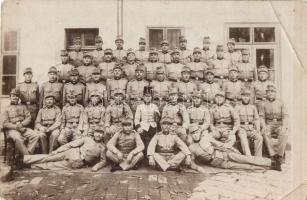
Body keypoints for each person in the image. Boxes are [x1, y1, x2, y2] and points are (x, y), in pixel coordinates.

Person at [187, 124, 281, 172]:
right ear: (190, 135)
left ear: (199, 131)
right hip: (220, 164)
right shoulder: (191, 148)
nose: (195, 135)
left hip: (225, 154)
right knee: (245, 167)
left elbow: (220, 138)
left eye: (196, 132)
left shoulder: (206, 137)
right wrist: (197, 168)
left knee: (246, 159)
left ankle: (272, 163)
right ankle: (268, 168)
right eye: (193, 134)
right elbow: (191, 162)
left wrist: (231, 145)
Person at [23, 130, 107, 172]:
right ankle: (25, 160)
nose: (98, 135)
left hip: (78, 162)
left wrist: (96, 167)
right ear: (94, 133)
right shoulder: (87, 139)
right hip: (70, 152)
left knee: (51, 166)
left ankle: (31, 166)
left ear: (103, 135)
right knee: (48, 157)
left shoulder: (102, 147)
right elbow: (70, 144)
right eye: (97, 132)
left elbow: (103, 161)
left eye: (101, 133)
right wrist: (57, 151)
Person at [3, 88, 40, 155]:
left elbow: (28, 118)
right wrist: (16, 127)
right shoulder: (6, 108)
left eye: (17, 96)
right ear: (10, 97)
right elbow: (5, 123)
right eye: (13, 96)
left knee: (35, 135)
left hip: (23, 128)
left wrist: (22, 124)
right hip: (12, 130)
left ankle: (26, 155)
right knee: (18, 138)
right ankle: (27, 157)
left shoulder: (23, 107)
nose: (15, 98)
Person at [259, 85, 289, 163]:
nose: (270, 93)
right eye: (268, 92)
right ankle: (272, 155)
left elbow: (285, 115)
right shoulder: (263, 104)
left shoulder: (281, 102)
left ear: (275, 93)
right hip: (269, 124)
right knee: (265, 132)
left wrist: (284, 126)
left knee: (284, 133)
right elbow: (261, 116)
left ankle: (280, 155)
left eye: (272, 92)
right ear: (266, 93)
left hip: (279, 124)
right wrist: (263, 126)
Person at [235, 88, 263, 157]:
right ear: (241, 97)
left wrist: (257, 130)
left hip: (251, 129)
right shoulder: (237, 107)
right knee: (243, 138)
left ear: (249, 97)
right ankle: (248, 157)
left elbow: (256, 119)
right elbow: (236, 120)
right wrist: (239, 129)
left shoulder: (253, 107)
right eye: (244, 96)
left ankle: (258, 157)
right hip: (242, 128)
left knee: (259, 137)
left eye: (247, 96)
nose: (245, 98)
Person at [134, 86, 160, 152]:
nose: (147, 98)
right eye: (146, 96)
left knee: (154, 141)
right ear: (143, 97)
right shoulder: (140, 106)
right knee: (143, 141)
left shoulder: (154, 106)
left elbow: (158, 116)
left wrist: (157, 114)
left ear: (151, 97)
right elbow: (136, 119)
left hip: (153, 126)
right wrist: (138, 127)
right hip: (143, 127)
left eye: (149, 96)